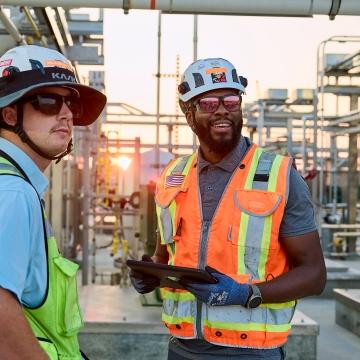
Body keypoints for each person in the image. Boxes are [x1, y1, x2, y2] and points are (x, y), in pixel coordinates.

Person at [130, 58, 326, 360]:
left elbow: (314, 274)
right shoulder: (172, 177)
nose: (222, 109)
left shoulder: (280, 176)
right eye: (208, 103)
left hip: (252, 352)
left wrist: (247, 294)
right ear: (188, 112)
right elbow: (165, 258)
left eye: (231, 100)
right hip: (183, 347)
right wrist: (151, 275)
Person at [0, 45, 106, 359]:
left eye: (70, 102)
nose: (67, 114)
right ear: (9, 114)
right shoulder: (13, 193)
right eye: (48, 100)